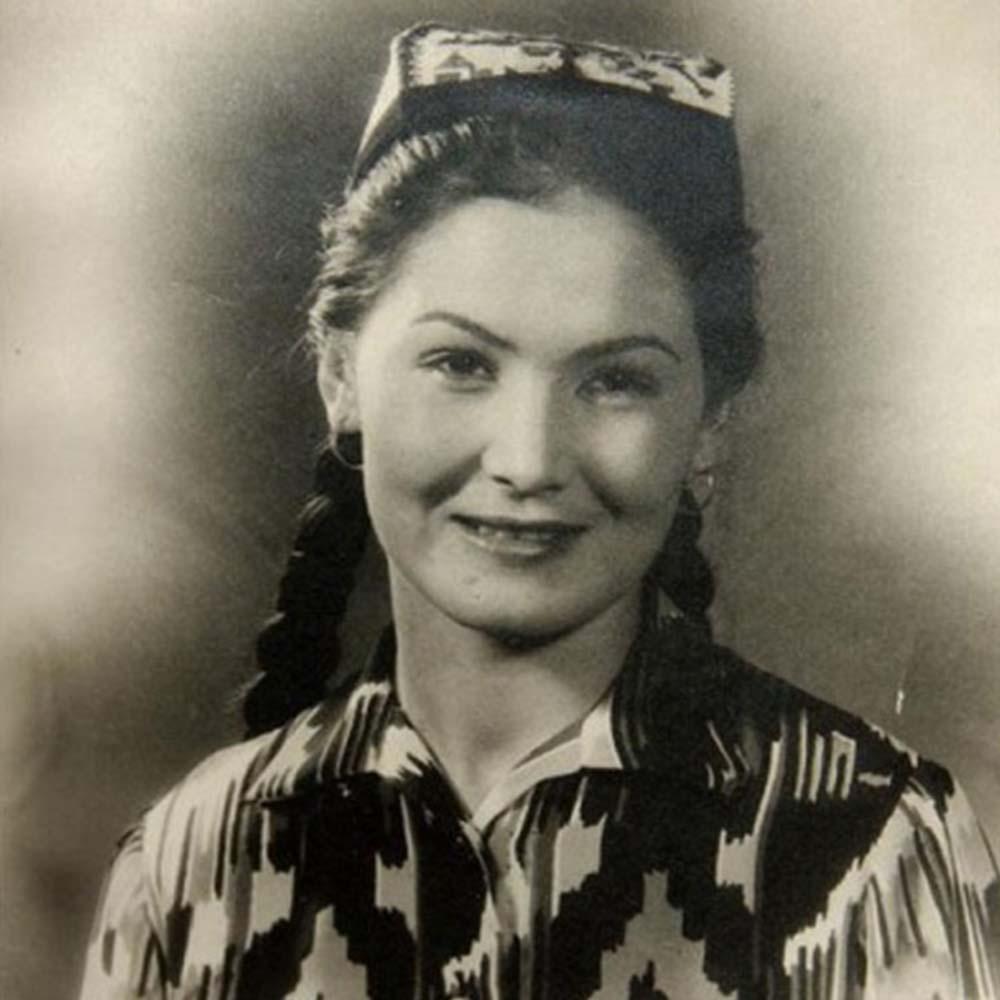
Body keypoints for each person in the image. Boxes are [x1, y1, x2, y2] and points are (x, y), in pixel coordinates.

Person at [80, 23, 999, 999]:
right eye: (461, 363)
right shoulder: (189, 864)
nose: (529, 461)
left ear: (708, 425)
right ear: (341, 378)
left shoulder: (867, 842)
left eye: (615, 381)